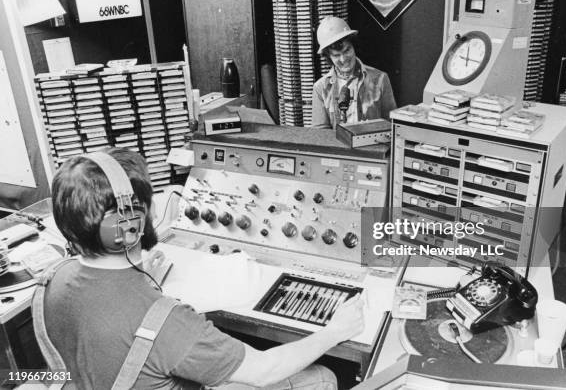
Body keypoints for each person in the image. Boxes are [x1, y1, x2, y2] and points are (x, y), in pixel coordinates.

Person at [37, 147, 365, 389]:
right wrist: (335, 331)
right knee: (322, 377)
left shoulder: (53, 279)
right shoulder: (167, 320)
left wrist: (139, 275)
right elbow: (265, 369)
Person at [312, 16, 397, 129]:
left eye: (347, 50)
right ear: (329, 57)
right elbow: (320, 134)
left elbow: (392, 124)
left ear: (353, 46)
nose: (343, 59)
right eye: (336, 55)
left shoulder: (380, 79)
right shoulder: (320, 88)